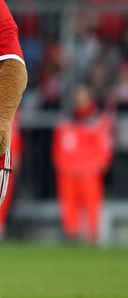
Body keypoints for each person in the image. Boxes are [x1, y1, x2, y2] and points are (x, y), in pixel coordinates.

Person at [52, 83, 113, 242]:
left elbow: (104, 146)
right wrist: (61, 165)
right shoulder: (67, 118)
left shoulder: (98, 119)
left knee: (92, 208)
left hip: (89, 173)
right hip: (68, 172)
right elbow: (58, 145)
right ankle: (72, 237)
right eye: (76, 94)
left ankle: (92, 237)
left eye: (81, 94)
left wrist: (97, 166)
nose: (78, 98)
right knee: (69, 208)